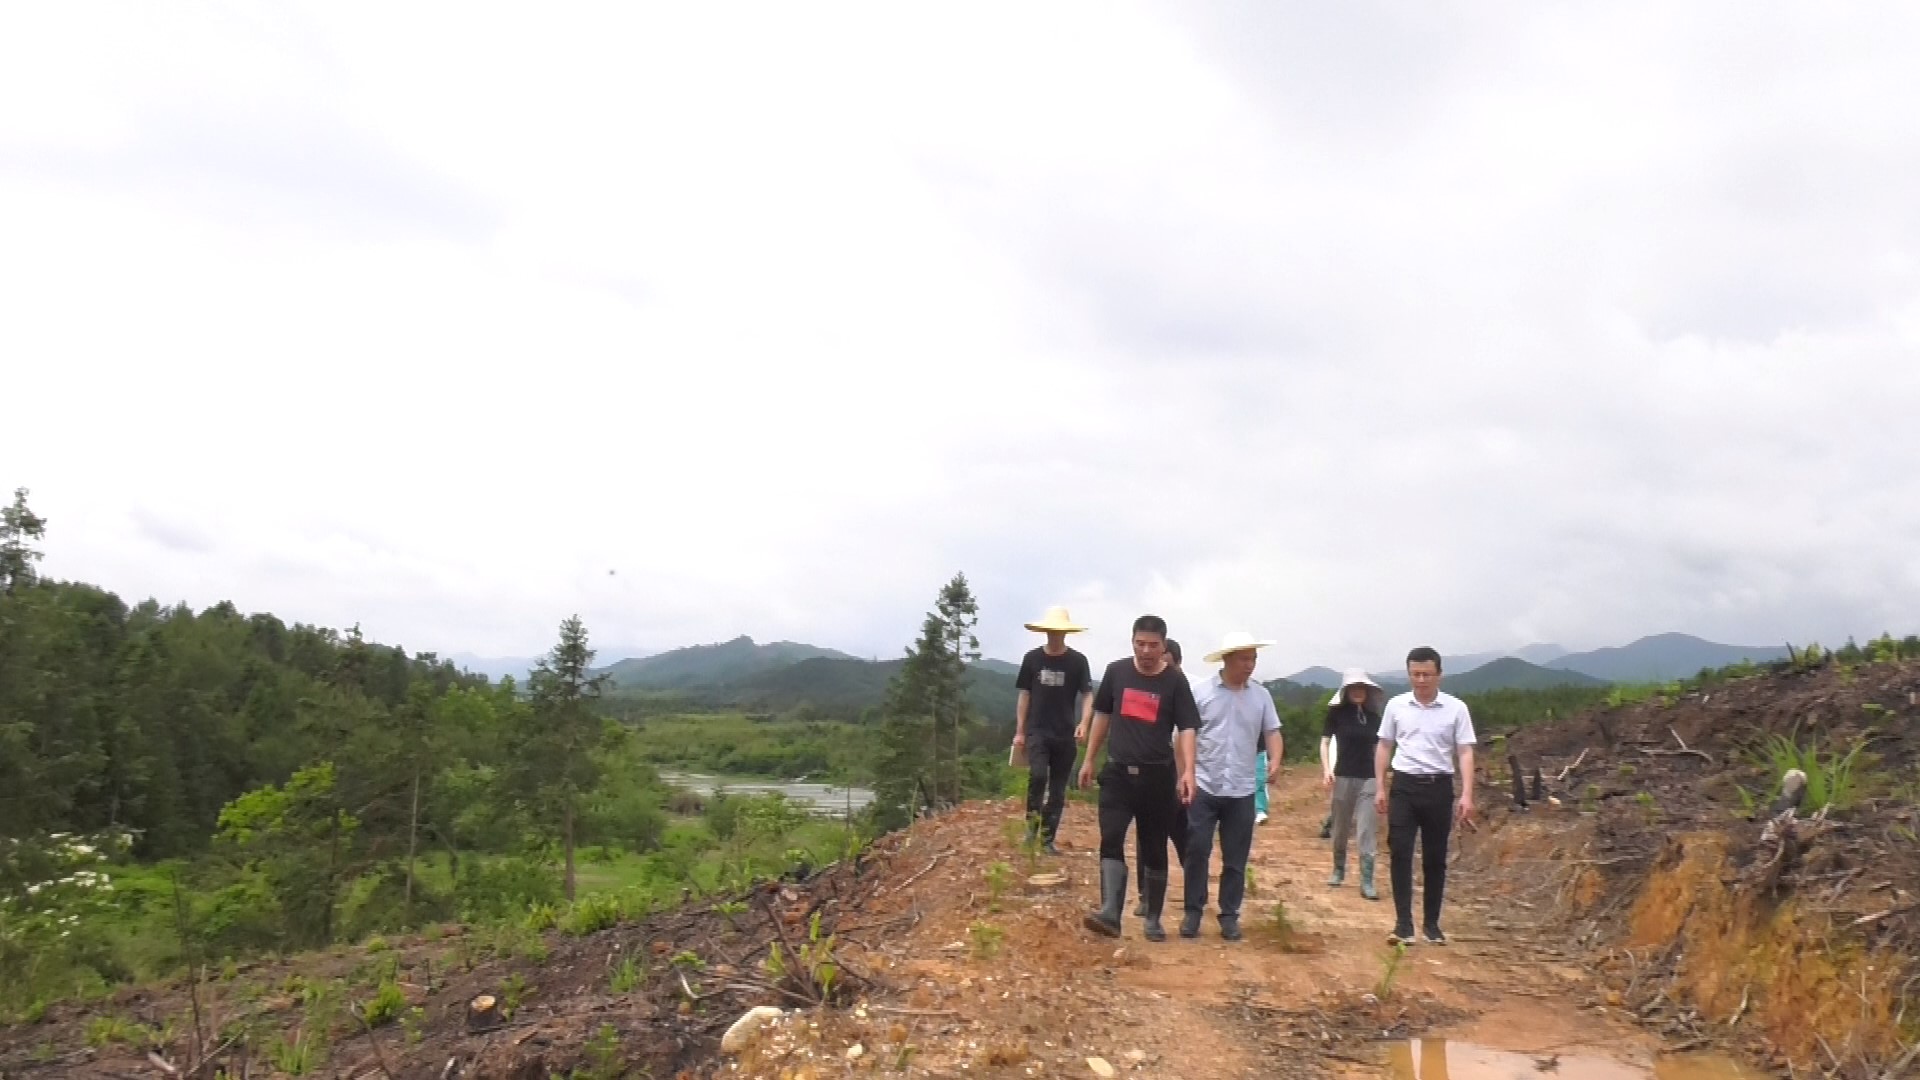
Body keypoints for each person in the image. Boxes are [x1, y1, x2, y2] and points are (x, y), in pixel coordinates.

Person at [1079, 616, 1200, 941]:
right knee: (1111, 838)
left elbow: (1188, 727)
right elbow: (1102, 716)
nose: (1146, 651)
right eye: (1140, 644)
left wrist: (1188, 771)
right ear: (1132, 642)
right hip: (1118, 774)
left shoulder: (1175, 682)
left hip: (1157, 778)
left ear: (1164, 646)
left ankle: (1153, 919)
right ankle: (1110, 912)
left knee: (1154, 846)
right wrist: (1089, 759)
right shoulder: (1116, 672)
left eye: (1153, 645)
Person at [1181, 632, 1284, 941]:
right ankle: (1193, 911)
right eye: (1244, 659)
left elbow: (1272, 731)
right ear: (1227, 659)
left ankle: (1229, 915)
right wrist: (1185, 773)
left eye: (1253, 659)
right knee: (1197, 850)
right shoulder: (1201, 693)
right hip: (1204, 784)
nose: (1250, 665)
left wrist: (1275, 759)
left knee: (1236, 858)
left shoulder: (1261, 696)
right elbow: (1185, 733)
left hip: (1242, 788)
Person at [1374, 646, 1477, 945]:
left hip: (1438, 787)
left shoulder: (1456, 709)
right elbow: (1384, 745)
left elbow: (1465, 751)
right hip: (1404, 786)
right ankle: (1403, 925)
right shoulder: (1396, 706)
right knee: (1400, 851)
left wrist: (1467, 794)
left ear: (1439, 675)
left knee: (1435, 857)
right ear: (1409, 674)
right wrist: (1379, 786)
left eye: (1427, 674)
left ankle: (1432, 924)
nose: (1421, 680)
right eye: (1415, 674)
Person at [1013, 606, 1094, 855]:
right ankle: (1031, 830)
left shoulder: (1078, 661)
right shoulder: (1032, 659)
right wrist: (1020, 731)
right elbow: (1025, 695)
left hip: (1065, 733)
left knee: (1058, 790)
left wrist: (1084, 723)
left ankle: (1047, 839)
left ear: (1065, 633)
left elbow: (1088, 694)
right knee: (1038, 777)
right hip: (1038, 731)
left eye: (1058, 631)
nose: (1054, 635)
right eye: (1051, 631)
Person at [1134, 639, 1192, 915]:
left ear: (1177, 663)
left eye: (1165, 662)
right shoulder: (1147, 689)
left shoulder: (1192, 690)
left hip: (1182, 778)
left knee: (1185, 838)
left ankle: (1195, 894)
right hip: (1153, 776)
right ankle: (1146, 896)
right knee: (1147, 839)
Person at [1321, 667, 1384, 900]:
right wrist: (1327, 769)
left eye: (1362, 688)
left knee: (1366, 829)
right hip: (1343, 775)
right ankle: (1338, 868)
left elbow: (1379, 749)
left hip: (1369, 777)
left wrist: (1381, 779)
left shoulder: (1374, 718)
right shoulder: (1336, 714)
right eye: (1354, 688)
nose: (1358, 691)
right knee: (1341, 826)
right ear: (1346, 691)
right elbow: (1325, 742)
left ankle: (1367, 880)